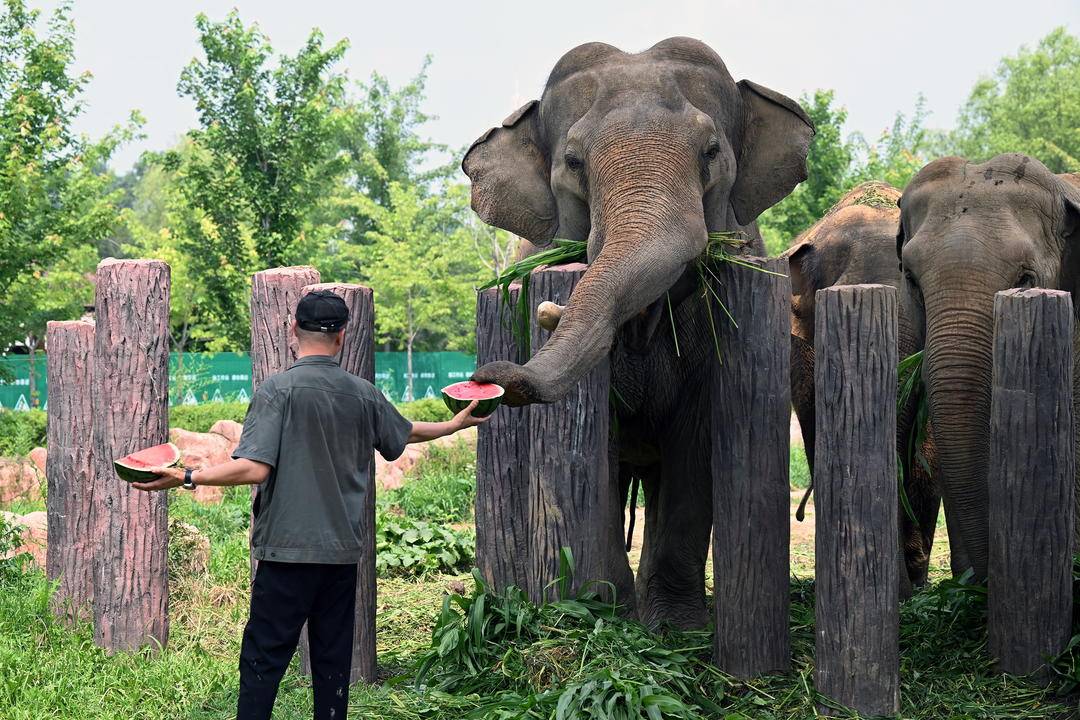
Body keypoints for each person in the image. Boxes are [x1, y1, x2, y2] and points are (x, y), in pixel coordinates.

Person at [132, 289, 487, 720]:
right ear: (342, 337)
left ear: (292, 330)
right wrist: (453, 423)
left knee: (263, 661)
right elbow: (404, 431)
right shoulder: (363, 394)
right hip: (339, 553)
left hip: (286, 551)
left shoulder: (277, 391)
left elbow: (253, 469)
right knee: (332, 662)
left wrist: (186, 476)